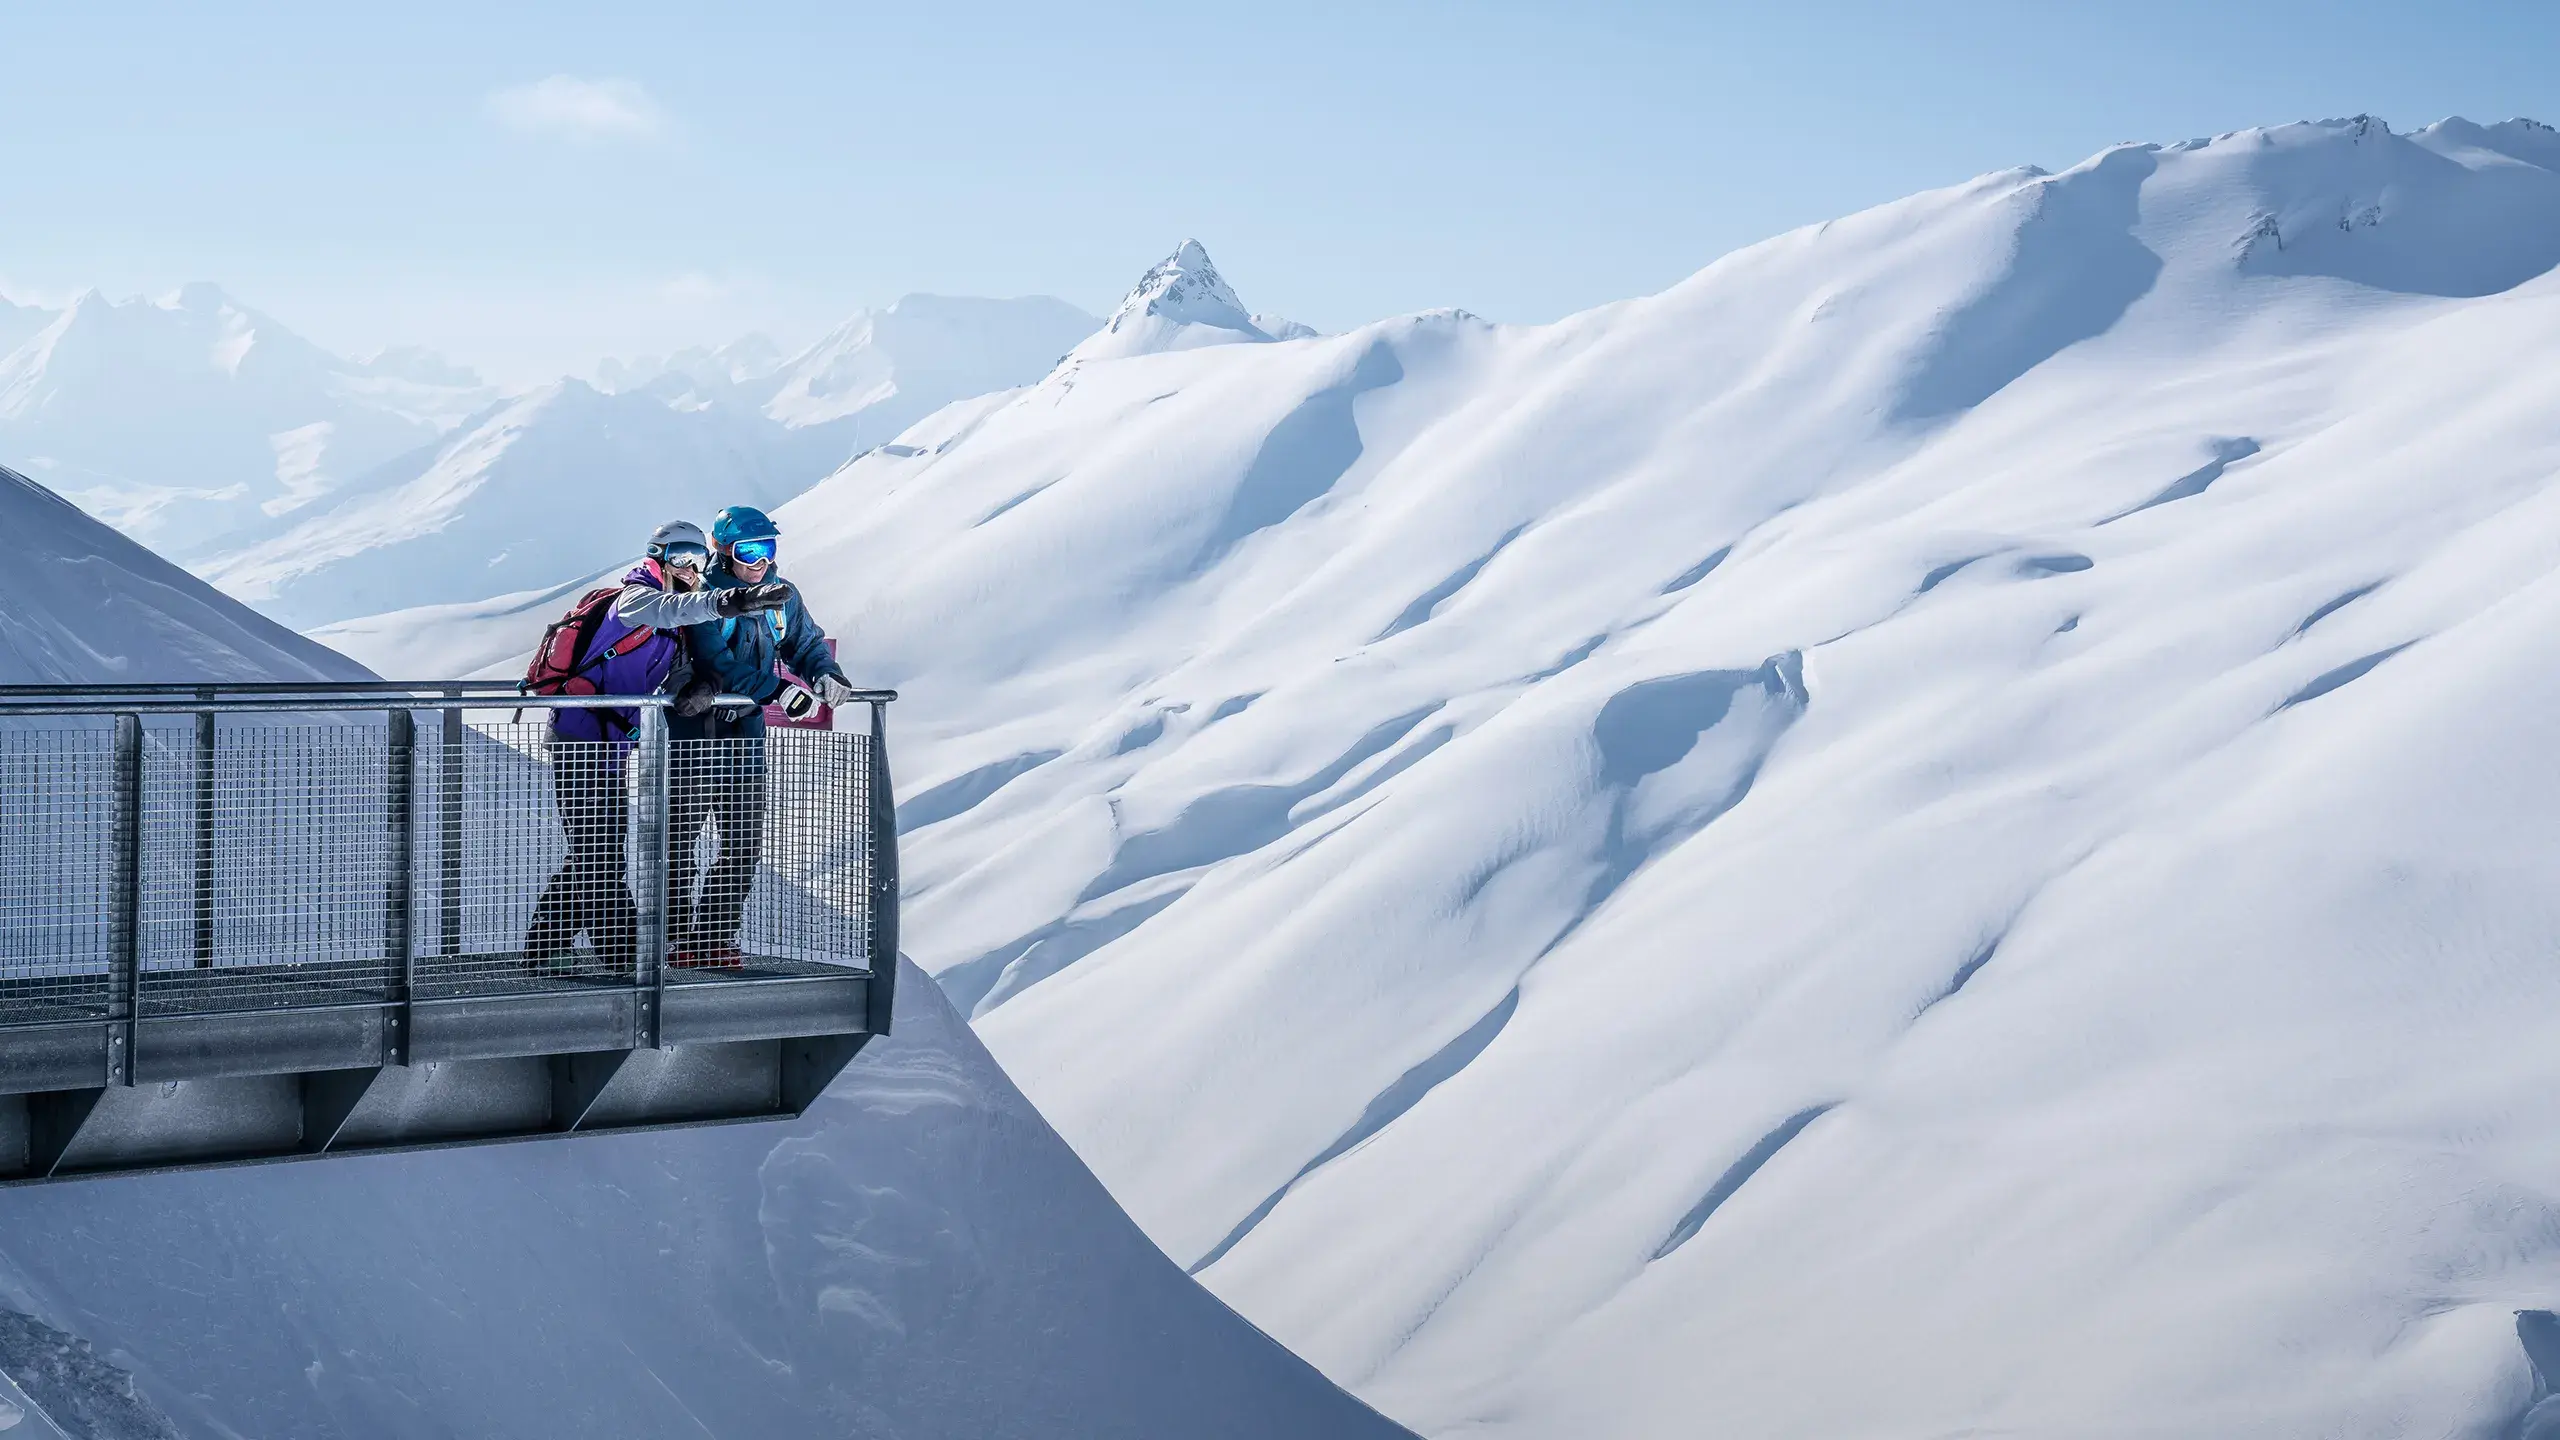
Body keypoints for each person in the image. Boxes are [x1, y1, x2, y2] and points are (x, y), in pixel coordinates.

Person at [523, 519, 790, 969]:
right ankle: (627, 960)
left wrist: (703, 683)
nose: (689, 568)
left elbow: (680, 663)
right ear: (658, 557)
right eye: (680, 559)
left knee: (596, 850)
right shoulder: (635, 599)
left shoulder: (675, 610)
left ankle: (542, 953)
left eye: (697, 560)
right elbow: (670, 610)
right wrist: (732, 600)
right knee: (600, 851)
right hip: (579, 740)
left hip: (611, 747)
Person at [669, 504, 856, 964]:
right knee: (678, 840)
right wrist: (777, 691)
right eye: (748, 550)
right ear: (722, 550)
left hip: (745, 736)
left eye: (767, 549)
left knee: (742, 842)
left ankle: (712, 938)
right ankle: (673, 937)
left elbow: (804, 643)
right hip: (694, 732)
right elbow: (716, 664)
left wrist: (825, 674)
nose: (759, 561)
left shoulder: (780, 595)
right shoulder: (703, 595)